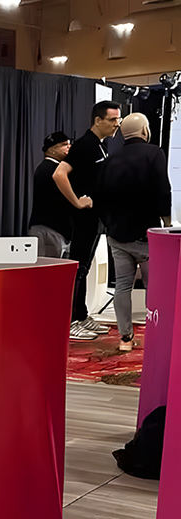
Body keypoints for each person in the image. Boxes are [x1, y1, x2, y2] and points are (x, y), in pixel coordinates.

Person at [96, 112, 172, 352]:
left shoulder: (110, 159)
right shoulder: (154, 153)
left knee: (122, 286)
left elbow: (100, 197)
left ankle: (125, 338)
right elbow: (163, 189)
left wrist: (109, 225)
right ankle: (157, 336)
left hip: (117, 235)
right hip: (146, 235)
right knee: (154, 288)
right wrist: (166, 223)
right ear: (145, 131)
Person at [53, 101, 122, 340]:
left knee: (84, 267)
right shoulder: (85, 145)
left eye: (118, 120)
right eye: (112, 120)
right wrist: (76, 201)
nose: (116, 124)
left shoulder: (100, 145)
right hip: (81, 219)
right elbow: (59, 174)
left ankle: (81, 315)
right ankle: (72, 320)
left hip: (94, 219)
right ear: (97, 120)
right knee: (78, 268)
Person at [28, 131, 74, 259]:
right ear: (52, 149)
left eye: (69, 144)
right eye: (64, 144)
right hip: (49, 230)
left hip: (52, 229)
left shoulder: (49, 168)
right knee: (48, 267)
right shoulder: (51, 169)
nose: (69, 147)